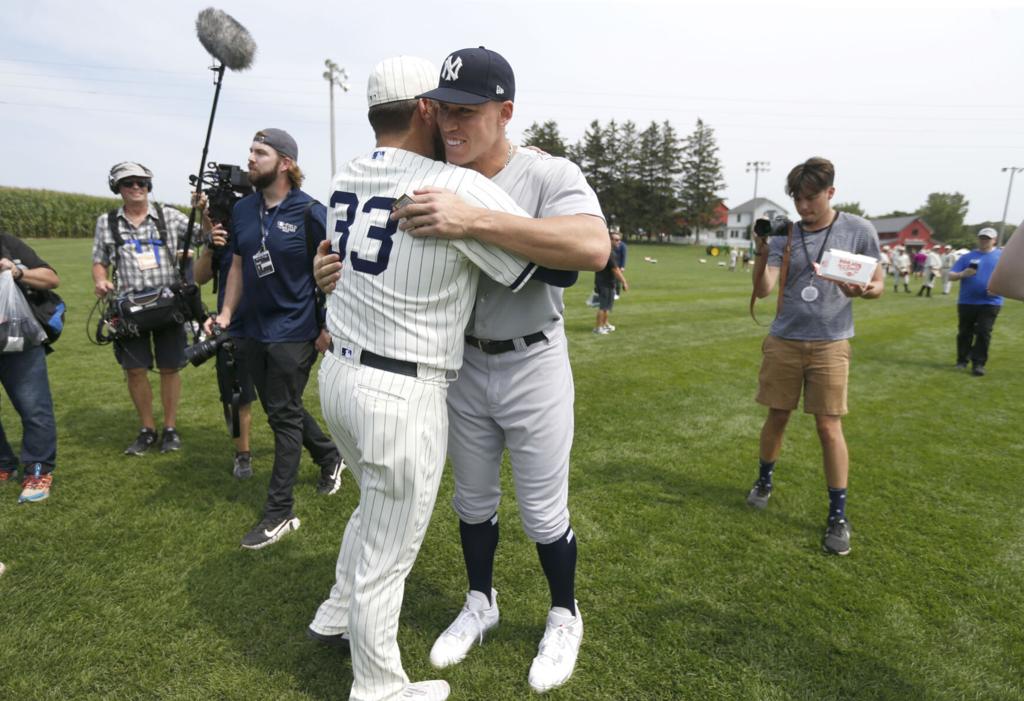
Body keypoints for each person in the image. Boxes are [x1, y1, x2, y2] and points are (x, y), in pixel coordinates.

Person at [307, 56, 542, 701]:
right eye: (444, 106)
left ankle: (334, 608)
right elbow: (534, 269)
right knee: (392, 547)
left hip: (339, 376)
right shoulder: (449, 185)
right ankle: (376, 685)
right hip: (400, 390)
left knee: (371, 509)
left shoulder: (343, 174)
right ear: (425, 110)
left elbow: (338, 263)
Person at [392, 47, 608, 692]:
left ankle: (564, 613)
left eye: (466, 111)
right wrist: (334, 272)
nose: (450, 124)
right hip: (461, 363)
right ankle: (480, 601)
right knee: (473, 500)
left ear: (504, 112)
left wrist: (477, 219)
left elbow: (592, 247)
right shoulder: (431, 171)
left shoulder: (545, 173)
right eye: (441, 110)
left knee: (543, 511)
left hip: (533, 360)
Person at [207, 129, 343, 549]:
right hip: (252, 329)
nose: (250, 158)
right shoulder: (244, 210)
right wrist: (227, 313)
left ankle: (279, 512)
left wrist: (326, 326)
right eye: (249, 150)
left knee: (282, 416)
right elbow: (236, 266)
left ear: (285, 163)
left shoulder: (309, 211)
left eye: (259, 152)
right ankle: (329, 455)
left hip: (296, 330)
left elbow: (336, 272)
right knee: (281, 406)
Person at [747, 157, 883, 556]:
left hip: (831, 343)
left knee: (828, 427)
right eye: (797, 199)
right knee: (777, 415)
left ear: (830, 193)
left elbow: (878, 283)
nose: (803, 207)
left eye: (810, 198)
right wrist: (761, 252)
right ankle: (764, 481)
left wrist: (864, 291)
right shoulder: (784, 234)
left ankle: (837, 514)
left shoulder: (859, 229)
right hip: (784, 339)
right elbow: (765, 289)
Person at [92, 162, 192, 455]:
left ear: (149, 187)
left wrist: (206, 211)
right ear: (117, 188)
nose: (136, 187)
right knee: (135, 370)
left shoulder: (169, 216)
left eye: (142, 183)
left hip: (167, 305)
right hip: (129, 308)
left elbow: (204, 235)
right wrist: (100, 280)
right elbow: (100, 260)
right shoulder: (106, 222)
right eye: (128, 183)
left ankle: (170, 429)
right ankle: (147, 429)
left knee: (170, 367)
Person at [193, 204, 256, 479]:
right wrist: (210, 244)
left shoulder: (260, 229)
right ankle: (242, 454)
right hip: (231, 327)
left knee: (283, 397)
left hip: (269, 326)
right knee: (234, 398)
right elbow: (198, 277)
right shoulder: (222, 239)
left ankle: (320, 448)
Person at [0, 232, 60, 502]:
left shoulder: (6, 242)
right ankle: (3, 464)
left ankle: (38, 470)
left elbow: (51, 278)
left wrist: (17, 272)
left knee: (33, 407)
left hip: (16, 338)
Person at [948, 227, 1003, 376]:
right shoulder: (967, 257)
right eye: (982, 238)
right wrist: (963, 274)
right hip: (967, 301)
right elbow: (950, 276)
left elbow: (1011, 276)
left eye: (987, 238)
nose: (984, 241)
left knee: (984, 332)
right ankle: (962, 360)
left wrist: (999, 289)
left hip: (991, 301)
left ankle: (978, 364)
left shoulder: (1002, 256)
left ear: (994, 240)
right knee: (965, 332)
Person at [594, 234, 628, 334]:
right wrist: (624, 282)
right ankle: (598, 328)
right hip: (604, 283)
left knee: (607, 307)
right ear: (610, 240)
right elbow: (616, 270)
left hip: (608, 282)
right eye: (616, 240)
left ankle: (604, 325)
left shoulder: (609, 252)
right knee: (603, 306)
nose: (619, 242)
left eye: (619, 240)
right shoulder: (609, 253)